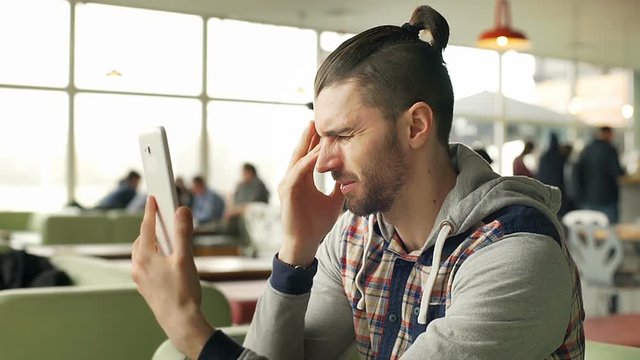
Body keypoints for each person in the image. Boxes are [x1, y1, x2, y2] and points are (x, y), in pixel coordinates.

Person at [132, 5, 584, 359]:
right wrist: (295, 253)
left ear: (415, 127)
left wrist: (187, 328)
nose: (323, 162)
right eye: (321, 137)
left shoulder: (515, 255)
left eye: (344, 135)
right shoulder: (355, 236)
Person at [574, 126, 624, 223]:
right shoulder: (610, 149)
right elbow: (617, 172)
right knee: (610, 230)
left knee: (590, 232)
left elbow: (577, 172)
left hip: (587, 197)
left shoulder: (586, 149)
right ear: (608, 134)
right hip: (607, 197)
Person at [537, 133, 573, 217]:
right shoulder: (560, 156)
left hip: (545, 187)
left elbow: (540, 173)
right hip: (559, 187)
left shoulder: (544, 156)